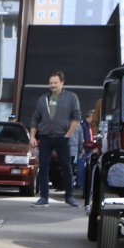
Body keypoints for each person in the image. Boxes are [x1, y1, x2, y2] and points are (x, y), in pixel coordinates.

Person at [28, 70, 81, 207]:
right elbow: (35, 119)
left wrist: (68, 134)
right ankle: (43, 197)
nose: (53, 85)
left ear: (62, 82)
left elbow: (76, 117)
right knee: (43, 168)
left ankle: (69, 197)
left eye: (55, 83)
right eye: (51, 83)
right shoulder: (43, 99)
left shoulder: (71, 97)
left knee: (67, 167)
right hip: (45, 137)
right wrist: (32, 136)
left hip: (62, 137)